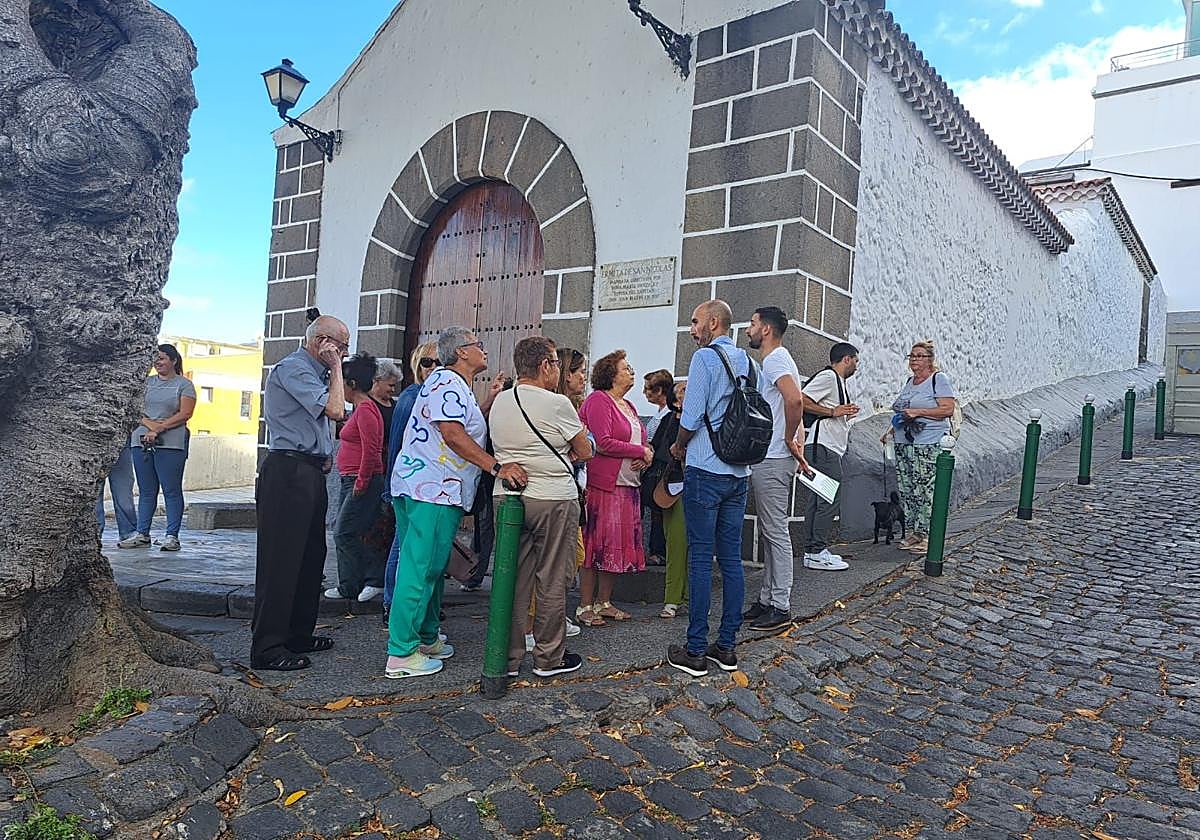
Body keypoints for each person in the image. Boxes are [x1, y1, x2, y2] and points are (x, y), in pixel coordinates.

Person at [385, 326, 525, 679]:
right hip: (432, 487)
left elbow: (457, 422)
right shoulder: (447, 381)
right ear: (462, 352)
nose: (484, 350)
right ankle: (401, 653)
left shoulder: (449, 384)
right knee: (420, 567)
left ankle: (427, 636)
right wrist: (495, 466)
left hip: (425, 485)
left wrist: (488, 403)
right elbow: (451, 432)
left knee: (431, 565)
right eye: (478, 345)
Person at [490, 337, 592, 678]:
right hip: (552, 497)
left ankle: (506, 658)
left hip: (507, 495)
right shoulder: (557, 403)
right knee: (551, 578)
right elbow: (585, 449)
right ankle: (549, 656)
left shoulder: (500, 402)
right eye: (556, 364)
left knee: (511, 579)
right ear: (546, 366)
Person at [252, 315, 349, 671]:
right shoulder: (294, 368)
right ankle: (268, 646)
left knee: (310, 558)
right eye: (342, 346)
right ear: (322, 342)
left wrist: (324, 455)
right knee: (281, 560)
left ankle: (297, 633)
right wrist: (336, 367)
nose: (344, 353)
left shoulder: (318, 375)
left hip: (308, 469)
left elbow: (326, 423)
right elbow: (336, 410)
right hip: (286, 471)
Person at [667, 300, 756, 677]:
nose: (691, 329)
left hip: (706, 466)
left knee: (701, 558)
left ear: (714, 323)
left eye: (695, 322)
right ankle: (728, 646)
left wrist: (679, 444)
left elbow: (691, 415)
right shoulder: (750, 363)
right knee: (731, 559)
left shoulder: (704, 360)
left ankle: (696, 649)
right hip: (738, 470)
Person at [742, 307, 809, 630]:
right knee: (771, 531)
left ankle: (780, 605)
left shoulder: (775, 359)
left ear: (766, 329)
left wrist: (787, 437)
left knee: (776, 532)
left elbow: (795, 400)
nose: (748, 329)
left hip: (772, 456)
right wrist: (796, 438)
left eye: (753, 324)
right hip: (772, 456)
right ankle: (767, 598)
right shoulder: (778, 360)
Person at [577, 350, 651, 627]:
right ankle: (585, 605)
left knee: (615, 547)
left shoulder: (628, 406)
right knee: (595, 545)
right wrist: (640, 450)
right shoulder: (599, 400)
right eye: (626, 368)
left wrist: (645, 453)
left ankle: (604, 602)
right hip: (603, 485)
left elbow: (640, 443)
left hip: (628, 485)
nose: (631, 371)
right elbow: (603, 442)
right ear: (610, 374)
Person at [881, 340, 957, 554]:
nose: (914, 359)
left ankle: (930, 536)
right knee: (908, 490)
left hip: (929, 442)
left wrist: (919, 412)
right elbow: (902, 411)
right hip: (905, 443)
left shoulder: (938, 380)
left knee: (927, 489)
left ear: (930, 360)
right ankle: (916, 532)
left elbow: (947, 409)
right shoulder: (909, 382)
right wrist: (890, 430)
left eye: (920, 356)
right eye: (912, 355)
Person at [119, 344, 196, 552]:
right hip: (142, 440)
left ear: (173, 360)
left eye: (162, 358)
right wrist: (151, 428)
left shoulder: (184, 385)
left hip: (171, 443)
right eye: (155, 358)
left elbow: (185, 413)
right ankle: (142, 533)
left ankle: (172, 536)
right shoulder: (145, 384)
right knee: (146, 490)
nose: (158, 362)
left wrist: (160, 429)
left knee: (171, 490)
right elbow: (134, 409)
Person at [324, 352, 387, 602]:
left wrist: (361, 482)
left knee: (343, 532)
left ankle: (351, 584)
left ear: (351, 385)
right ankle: (355, 581)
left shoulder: (366, 411)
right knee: (355, 530)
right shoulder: (360, 410)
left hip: (361, 480)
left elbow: (372, 450)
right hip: (352, 478)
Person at [382, 341, 438, 621]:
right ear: (417, 366)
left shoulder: (432, 395)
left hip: (423, 485)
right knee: (403, 547)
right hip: (409, 484)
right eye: (428, 362)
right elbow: (398, 445)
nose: (433, 368)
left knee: (409, 548)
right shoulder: (413, 396)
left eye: (439, 363)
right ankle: (392, 604)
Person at [799, 342, 860, 570]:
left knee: (819, 499)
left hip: (825, 446)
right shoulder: (828, 377)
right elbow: (802, 400)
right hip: (822, 447)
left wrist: (843, 413)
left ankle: (813, 550)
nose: (856, 365)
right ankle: (816, 551)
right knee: (829, 498)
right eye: (855, 360)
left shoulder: (838, 382)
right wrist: (833, 412)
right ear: (846, 359)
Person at [645, 380, 687, 618]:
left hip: (699, 487)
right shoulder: (670, 420)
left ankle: (689, 596)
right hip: (674, 487)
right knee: (677, 543)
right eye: (682, 391)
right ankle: (672, 599)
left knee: (694, 545)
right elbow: (663, 452)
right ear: (675, 400)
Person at [642, 369, 674, 566]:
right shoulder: (661, 413)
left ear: (660, 390)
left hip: (659, 468)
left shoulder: (668, 415)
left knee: (658, 512)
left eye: (648, 390)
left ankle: (659, 550)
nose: (645, 394)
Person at [95, 444, 137, 545]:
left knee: (124, 493)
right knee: (94, 494)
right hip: (91, 443)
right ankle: (94, 533)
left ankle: (128, 532)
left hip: (120, 444)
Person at [369, 359, 401, 450]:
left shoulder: (393, 404)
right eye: (390, 385)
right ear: (377, 381)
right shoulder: (367, 404)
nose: (393, 390)